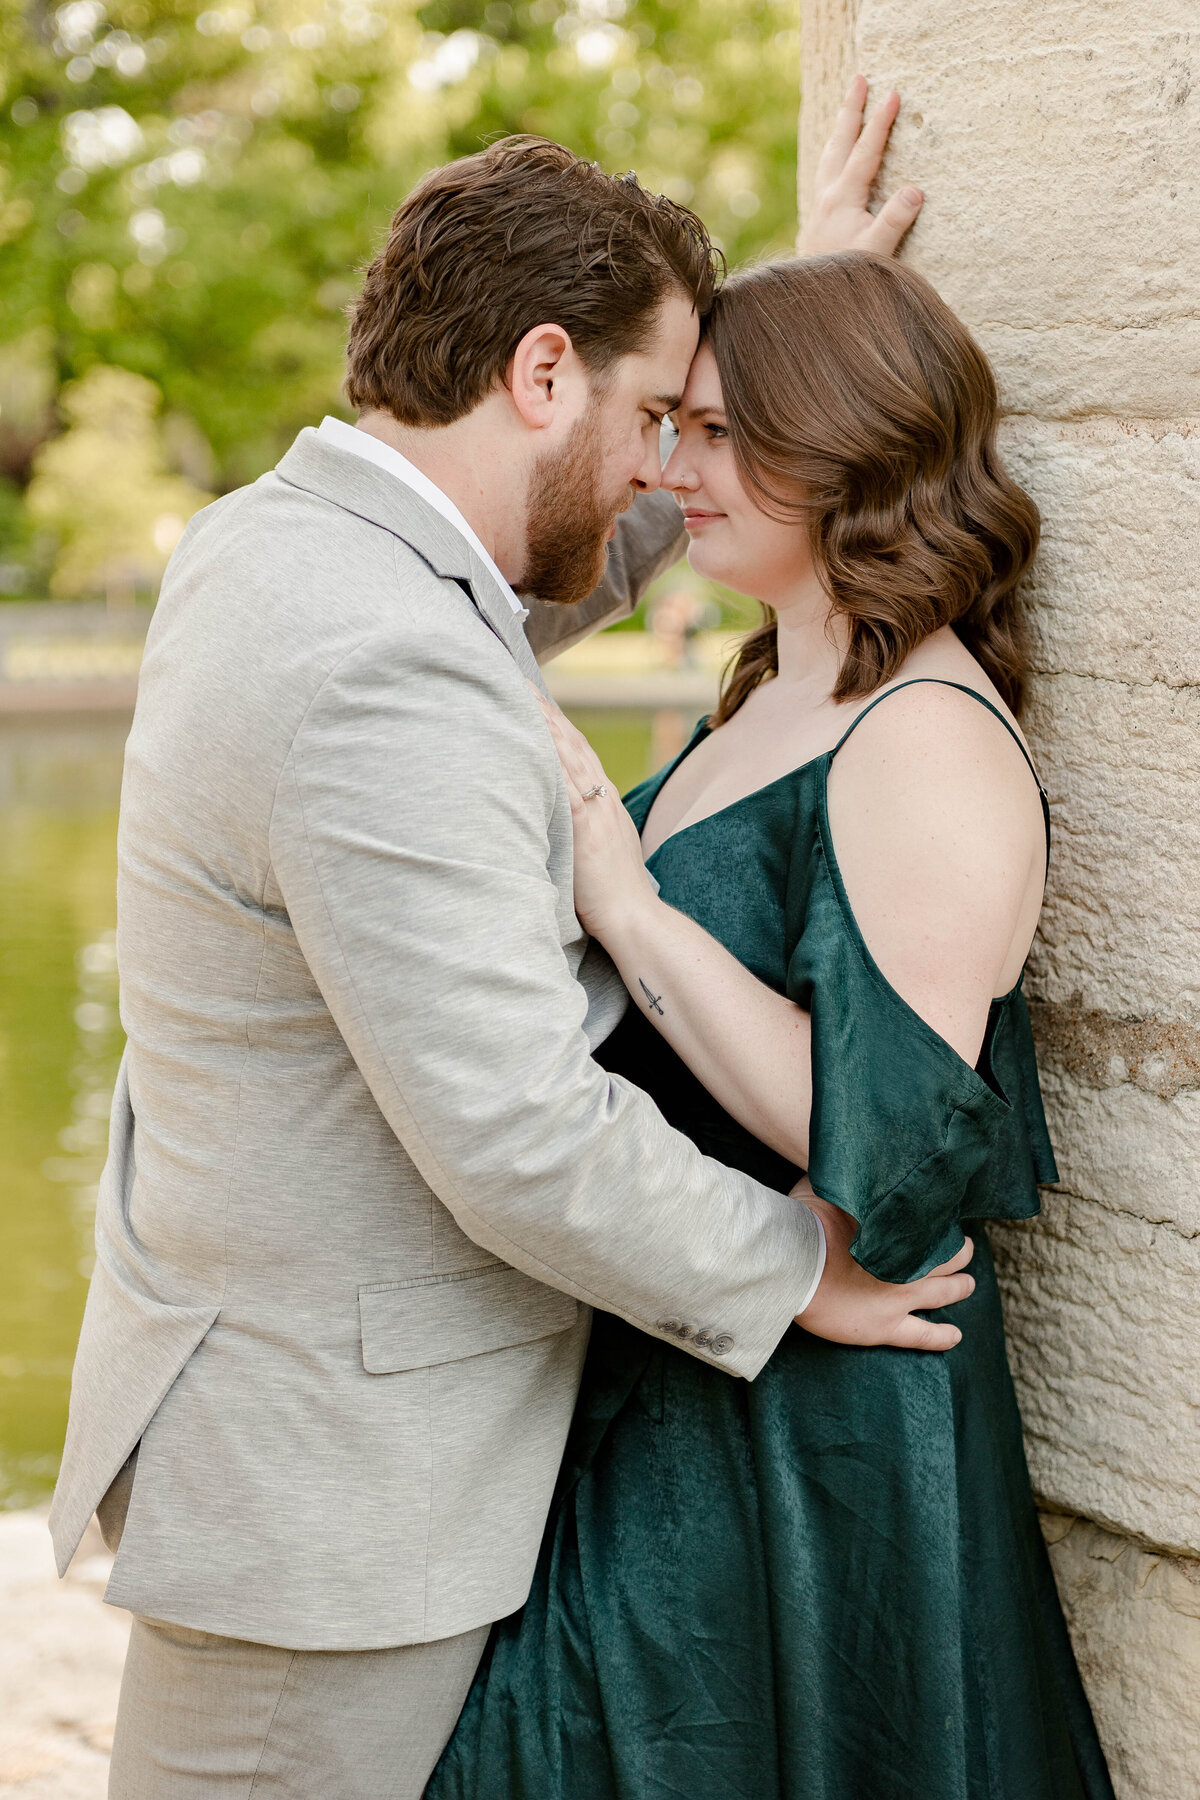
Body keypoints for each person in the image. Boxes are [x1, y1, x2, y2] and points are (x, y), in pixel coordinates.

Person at [48, 87, 957, 1800]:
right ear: (542, 370)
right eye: (660, 415)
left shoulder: (286, 544)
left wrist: (790, 339)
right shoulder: (377, 668)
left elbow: (559, 558)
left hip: (284, 1427)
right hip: (330, 1519)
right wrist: (799, 1271)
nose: (669, 466)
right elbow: (518, 1134)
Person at [427, 255, 1117, 1799]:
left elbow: (893, 1155)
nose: (672, 470)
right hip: (686, 1364)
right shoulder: (777, 680)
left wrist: (629, 900)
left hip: (812, 1438)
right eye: (682, 424)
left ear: (851, 439)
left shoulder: (925, 734)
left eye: (723, 435)